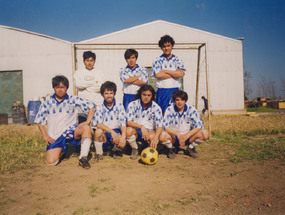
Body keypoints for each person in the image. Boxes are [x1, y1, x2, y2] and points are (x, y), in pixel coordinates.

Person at [34, 75, 95, 169]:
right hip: (55, 136)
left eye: (62, 87)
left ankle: (83, 158)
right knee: (51, 162)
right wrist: (45, 136)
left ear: (66, 88)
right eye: (57, 87)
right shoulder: (47, 101)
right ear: (54, 88)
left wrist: (87, 121)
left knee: (86, 128)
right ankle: (62, 150)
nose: (60, 90)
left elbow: (91, 106)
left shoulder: (73, 99)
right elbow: (39, 120)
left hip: (70, 132)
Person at [126, 84, 172, 160]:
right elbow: (129, 122)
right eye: (144, 94)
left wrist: (156, 137)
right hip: (136, 129)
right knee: (128, 131)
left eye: (149, 95)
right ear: (140, 94)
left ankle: (150, 150)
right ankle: (135, 149)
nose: (146, 97)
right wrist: (141, 127)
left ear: (152, 96)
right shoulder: (132, 104)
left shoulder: (156, 107)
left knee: (153, 137)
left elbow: (160, 126)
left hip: (150, 131)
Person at [160, 90, 209, 158]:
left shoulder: (191, 109)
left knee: (205, 133)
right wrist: (177, 134)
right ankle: (171, 148)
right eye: (177, 100)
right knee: (162, 135)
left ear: (185, 101)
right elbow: (165, 126)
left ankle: (190, 148)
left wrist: (187, 135)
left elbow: (199, 125)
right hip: (174, 137)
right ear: (174, 101)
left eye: (182, 100)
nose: (180, 102)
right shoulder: (169, 109)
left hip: (189, 137)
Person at [92, 81, 127, 161]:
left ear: (114, 93)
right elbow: (99, 124)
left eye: (111, 93)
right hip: (106, 133)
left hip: (116, 131)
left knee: (124, 134)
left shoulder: (119, 105)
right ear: (102, 95)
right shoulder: (99, 107)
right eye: (106, 93)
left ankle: (116, 150)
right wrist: (112, 132)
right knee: (98, 131)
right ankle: (99, 154)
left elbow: (123, 123)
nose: (109, 96)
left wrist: (123, 137)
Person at [152, 35, 186, 114]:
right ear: (161, 48)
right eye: (164, 46)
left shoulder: (178, 59)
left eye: (168, 46)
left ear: (172, 46)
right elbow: (157, 75)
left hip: (175, 90)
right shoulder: (157, 60)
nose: (166, 48)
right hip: (162, 91)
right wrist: (175, 72)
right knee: (162, 114)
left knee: (175, 113)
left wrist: (166, 71)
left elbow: (181, 74)